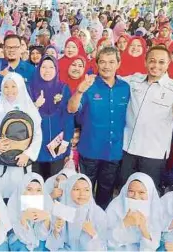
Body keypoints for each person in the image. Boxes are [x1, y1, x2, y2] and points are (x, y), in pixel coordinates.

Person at [120, 46, 173, 190]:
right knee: (125, 190)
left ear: (168, 64)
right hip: (128, 149)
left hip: (154, 154)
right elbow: (113, 81)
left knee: (148, 194)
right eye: (152, 61)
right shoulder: (134, 80)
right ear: (145, 62)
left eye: (161, 62)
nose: (156, 66)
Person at [67, 47, 130, 209]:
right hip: (89, 150)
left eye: (111, 62)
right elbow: (71, 109)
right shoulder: (88, 86)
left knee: (106, 192)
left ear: (119, 64)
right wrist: (79, 91)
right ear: (96, 64)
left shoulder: (126, 87)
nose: (106, 66)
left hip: (113, 151)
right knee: (83, 192)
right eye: (102, 62)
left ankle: (101, 224)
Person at [0, 73, 42, 199]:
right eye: (6, 87)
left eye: (14, 86)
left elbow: (37, 135)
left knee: (20, 197)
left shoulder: (29, 109)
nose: (9, 90)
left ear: (20, 87)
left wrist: (28, 154)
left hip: (21, 163)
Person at [30, 55, 74, 180]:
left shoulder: (63, 88)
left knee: (55, 184)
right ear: (38, 69)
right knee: (36, 183)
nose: (47, 70)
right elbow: (26, 117)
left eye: (51, 67)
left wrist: (66, 141)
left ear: (56, 70)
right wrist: (35, 106)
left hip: (57, 146)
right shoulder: (30, 89)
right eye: (43, 67)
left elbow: (68, 117)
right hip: (36, 146)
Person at [46, 174, 107, 250]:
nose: (82, 194)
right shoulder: (60, 211)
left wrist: (93, 234)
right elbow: (52, 246)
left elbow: (104, 247)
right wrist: (56, 232)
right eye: (76, 189)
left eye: (86, 190)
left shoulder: (99, 214)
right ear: (68, 190)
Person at [106, 172, 162, 251]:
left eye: (141, 192)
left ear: (149, 193)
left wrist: (143, 228)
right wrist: (124, 224)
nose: (135, 197)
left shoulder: (154, 211)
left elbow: (152, 247)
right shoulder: (115, 206)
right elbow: (105, 239)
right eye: (131, 191)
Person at [7, 173, 52, 251]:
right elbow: (20, 235)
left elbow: (43, 236)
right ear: (22, 190)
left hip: (41, 244)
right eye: (29, 189)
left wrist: (47, 218)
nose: (34, 194)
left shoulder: (47, 204)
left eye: (38, 190)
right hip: (19, 242)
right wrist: (23, 218)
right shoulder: (14, 205)